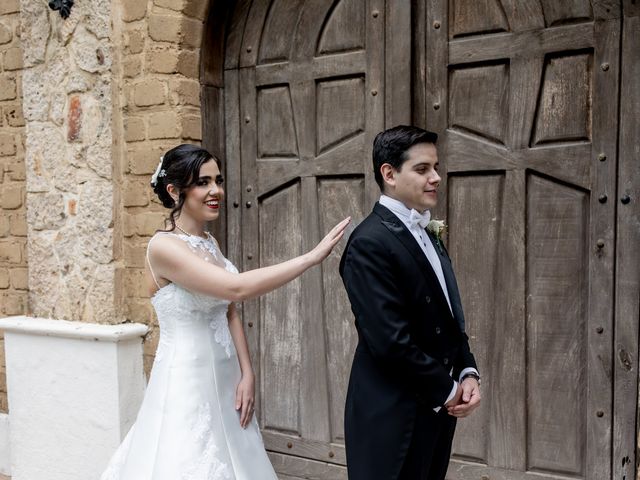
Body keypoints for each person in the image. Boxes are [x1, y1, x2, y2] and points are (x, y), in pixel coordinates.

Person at [101, 144, 350, 480]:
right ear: (175, 190)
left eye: (218, 180)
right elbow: (237, 288)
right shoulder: (163, 248)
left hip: (227, 378)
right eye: (203, 182)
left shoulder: (208, 242)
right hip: (186, 382)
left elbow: (229, 311)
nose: (215, 190)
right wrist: (309, 258)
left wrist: (247, 373)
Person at [339, 126, 481, 480]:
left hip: (436, 410)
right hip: (392, 416)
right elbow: (390, 341)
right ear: (389, 174)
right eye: (422, 169)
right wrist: (448, 390)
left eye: (435, 166)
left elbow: (447, 314)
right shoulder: (368, 244)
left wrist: (467, 371)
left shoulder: (427, 230)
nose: (436, 177)